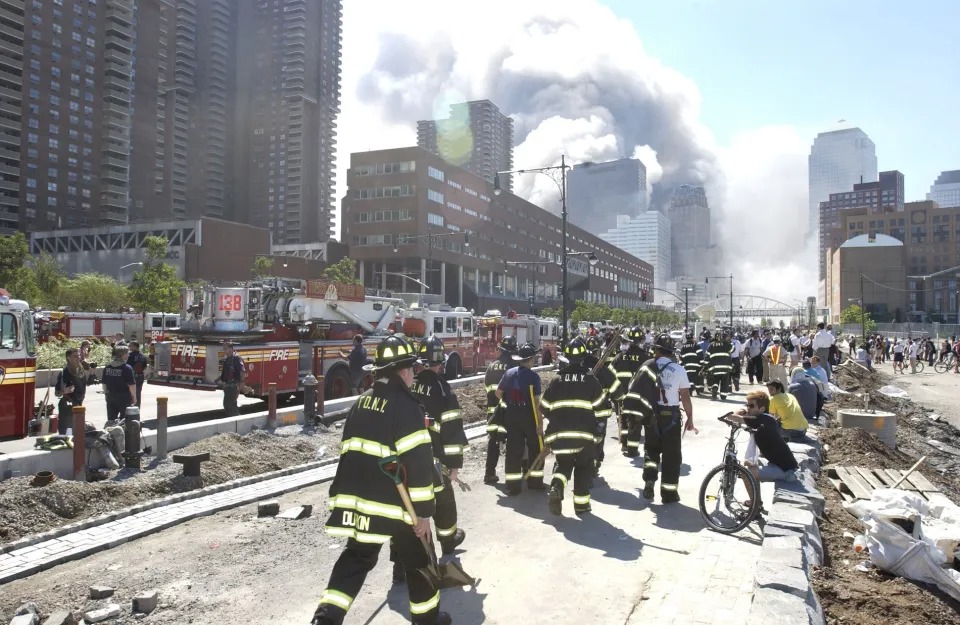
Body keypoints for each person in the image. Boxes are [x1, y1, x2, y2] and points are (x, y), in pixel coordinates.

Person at [312, 335, 451, 625]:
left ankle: (325, 619)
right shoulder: (408, 406)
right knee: (420, 561)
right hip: (398, 507)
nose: (414, 374)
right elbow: (420, 465)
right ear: (402, 371)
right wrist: (424, 514)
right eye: (412, 369)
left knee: (356, 560)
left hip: (361, 504)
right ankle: (427, 621)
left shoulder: (361, 403)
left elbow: (349, 454)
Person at [408, 336, 468, 556]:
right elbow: (452, 429)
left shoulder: (409, 385)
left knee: (414, 504)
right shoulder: (443, 390)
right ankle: (448, 541)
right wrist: (454, 465)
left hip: (410, 458)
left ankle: (414, 551)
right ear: (440, 362)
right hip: (437, 461)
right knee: (444, 503)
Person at [541, 339, 611, 516]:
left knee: (562, 465)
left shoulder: (556, 381)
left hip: (559, 434)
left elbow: (544, 406)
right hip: (584, 436)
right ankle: (581, 506)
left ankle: (556, 486)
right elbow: (603, 409)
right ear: (582, 358)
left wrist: (558, 418)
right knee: (583, 468)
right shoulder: (591, 380)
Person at [624, 333, 695, 503]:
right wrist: (690, 418)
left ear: (656, 349)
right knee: (672, 456)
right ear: (671, 352)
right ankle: (669, 494)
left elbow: (633, 387)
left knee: (651, 451)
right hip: (671, 417)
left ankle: (649, 480)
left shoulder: (647, 366)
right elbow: (685, 396)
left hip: (651, 416)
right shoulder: (679, 369)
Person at [496, 342, 545, 495]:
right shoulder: (534, 377)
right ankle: (535, 483)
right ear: (531, 359)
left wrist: (509, 402)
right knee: (535, 449)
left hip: (512, 417)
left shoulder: (509, 373)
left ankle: (513, 486)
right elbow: (537, 402)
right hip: (529, 418)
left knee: (513, 452)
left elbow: (498, 393)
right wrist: (540, 423)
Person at [726, 390, 800, 490]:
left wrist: (736, 413)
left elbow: (733, 417)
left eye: (751, 406)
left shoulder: (761, 420)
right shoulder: (767, 419)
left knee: (746, 473)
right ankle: (757, 501)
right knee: (749, 463)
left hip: (786, 471)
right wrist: (744, 413)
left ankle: (754, 504)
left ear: (762, 409)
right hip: (780, 465)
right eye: (747, 405)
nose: (748, 408)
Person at [600, 326, 648, 457]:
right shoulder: (645, 358)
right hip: (638, 397)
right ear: (641, 341)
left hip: (621, 397)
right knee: (636, 422)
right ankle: (632, 449)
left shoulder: (619, 357)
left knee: (624, 420)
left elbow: (608, 376)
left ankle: (625, 445)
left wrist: (609, 394)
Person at [483, 335, 517, 485]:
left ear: (501, 350)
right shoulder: (514, 368)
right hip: (509, 411)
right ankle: (513, 477)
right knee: (513, 442)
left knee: (493, 442)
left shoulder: (491, 367)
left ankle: (489, 474)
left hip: (492, 412)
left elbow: (487, 390)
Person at [55, 348, 87, 434]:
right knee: (66, 431)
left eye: (79, 356)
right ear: (68, 358)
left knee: (78, 431)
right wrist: (64, 391)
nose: (78, 358)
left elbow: (84, 386)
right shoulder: (64, 373)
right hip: (67, 406)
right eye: (75, 356)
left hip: (78, 405)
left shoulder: (81, 371)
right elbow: (57, 392)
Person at [102, 345, 136, 422]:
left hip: (111, 396)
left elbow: (104, 384)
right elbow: (132, 385)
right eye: (127, 353)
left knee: (111, 420)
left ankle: (111, 433)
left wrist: (106, 394)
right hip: (124, 397)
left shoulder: (107, 367)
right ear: (122, 355)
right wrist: (134, 397)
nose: (128, 355)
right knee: (124, 420)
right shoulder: (127, 368)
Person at [704, 331, 733, 401]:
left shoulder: (711, 345)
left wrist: (706, 365)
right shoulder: (726, 344)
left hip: (714, 368)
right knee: (724, 381)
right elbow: (733, 349)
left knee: (715, 380)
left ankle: (715, 387)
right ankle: (723, 396)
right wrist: (726, 342)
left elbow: (706, 356)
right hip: (725, 368)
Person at [219, 341, 245, 417]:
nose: (224, 351)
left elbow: (242, 371)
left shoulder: (236, 359)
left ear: (231, 349)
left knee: (228, 405)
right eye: (223, 349)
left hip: (233, 385)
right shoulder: (228, 359)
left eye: (225, 349)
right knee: (230, 405)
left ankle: (236, 420)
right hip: (228, 386)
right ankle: (236, 420)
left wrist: (242, 383)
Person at [126, 340, 148, 408]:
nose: (129, 347)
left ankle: (129, 409)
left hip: (132, 376)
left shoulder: (130, 355)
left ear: (135, 347)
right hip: (140, 376)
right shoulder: (143, 355)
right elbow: (145, 367)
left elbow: (127, 366)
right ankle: (137, 409)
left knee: (129, 393)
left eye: (130, 346)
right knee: (138, 394)